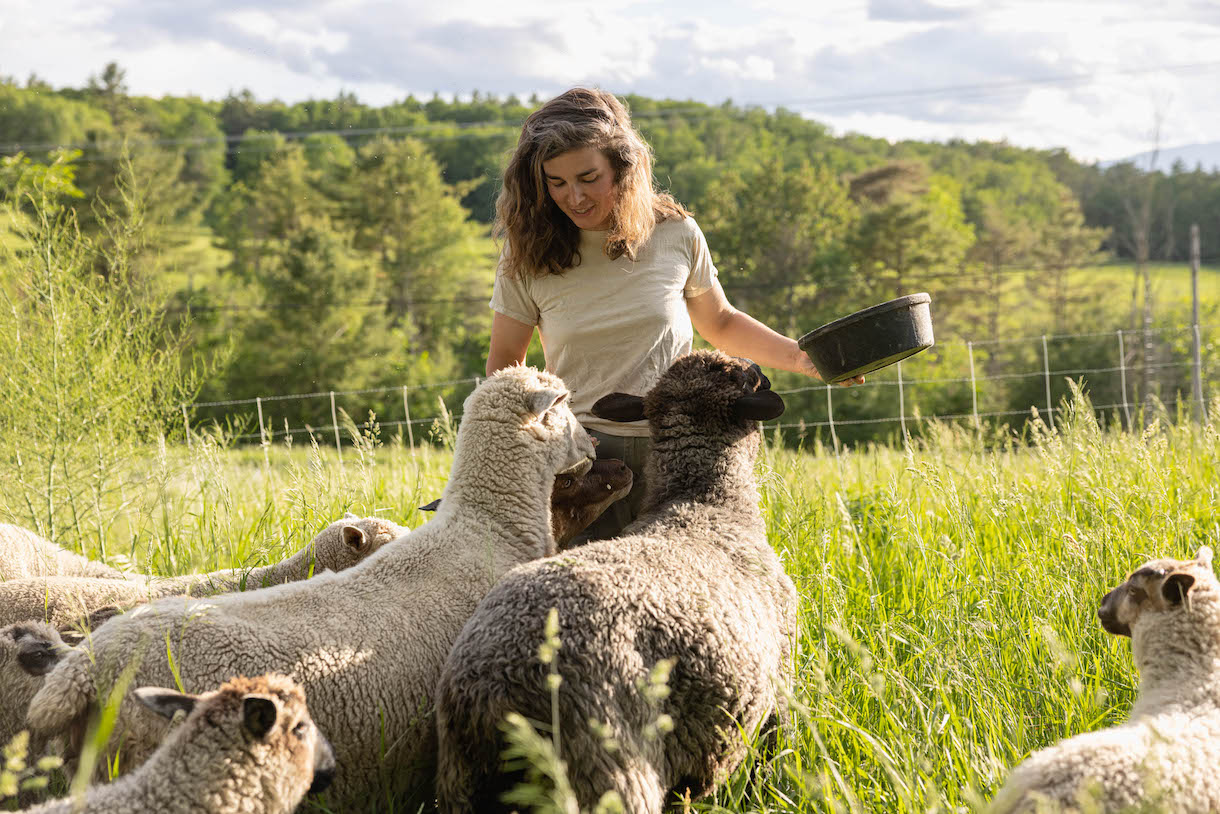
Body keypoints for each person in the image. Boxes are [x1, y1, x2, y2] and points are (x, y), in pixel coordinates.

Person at [486, 87, 858, 540]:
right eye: (557, 183)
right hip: (582, 464)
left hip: (683, 451)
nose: (575, 197)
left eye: (588, 177)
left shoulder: (675, 232)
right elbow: (506, 367)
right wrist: (541, 448)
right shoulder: (528, 255)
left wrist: (805, 359)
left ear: (623, 169)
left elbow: (719, 321)